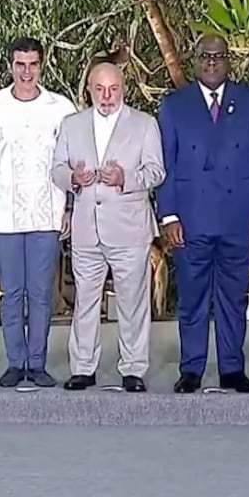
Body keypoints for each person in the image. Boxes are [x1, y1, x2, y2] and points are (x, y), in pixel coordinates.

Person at [156, 36, 249, 393]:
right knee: (192, 298)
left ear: (228, 61)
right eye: (205, 57)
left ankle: (232, 369)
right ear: (195, 60)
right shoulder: (175, 107)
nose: (211, 63)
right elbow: (166, 165)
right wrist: (169, 216)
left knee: (233, 298)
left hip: (238, 219)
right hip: (190, 221)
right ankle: (191, 369)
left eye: (219, 56)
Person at [51, 62, 165, 392]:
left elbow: (157, 171)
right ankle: (83, 368)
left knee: (132, 301)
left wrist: (125, 179)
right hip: (87, 229)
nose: (106, 96)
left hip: (129, 229)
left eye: (113, 89)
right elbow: (57, 168)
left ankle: (133, 369)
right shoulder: (72, 124)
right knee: (85, 301)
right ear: (89, 89)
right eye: (99, 89)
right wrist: (73, 178)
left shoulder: (144, 124)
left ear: (123, 89)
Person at [0, 38, 74, 388]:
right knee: (11, 293)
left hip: (48, 212)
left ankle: (38, 362)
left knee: (41, 293)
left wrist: (70, 208)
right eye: (20, 64)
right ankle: (16, 363)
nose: (26, 71)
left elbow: (70, 160)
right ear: (10, 66)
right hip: (4, 215)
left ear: (41, 66)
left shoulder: (60, 107)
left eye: (32, 64)